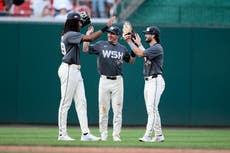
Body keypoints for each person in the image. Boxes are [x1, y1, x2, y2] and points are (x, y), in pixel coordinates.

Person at [57, 11, 116, 141]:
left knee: (81, 102)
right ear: (73, 23)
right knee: (65, 103)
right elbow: (90, 39)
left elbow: (82, 30)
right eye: (78, 22)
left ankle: (85, 133)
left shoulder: (70, 33)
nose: (80, 23)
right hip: (68, 69)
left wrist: (86, 22)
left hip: (75, 70)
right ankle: (62, 134)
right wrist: (106, 26)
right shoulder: (70, 34)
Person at [83, 25, 135, 141]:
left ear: (117, 35)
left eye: (112, 33)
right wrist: (87, 36)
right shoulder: (101, 44)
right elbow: (85, 49)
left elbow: (131, 61)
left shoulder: (122, 48)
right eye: (108, 33)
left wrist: (134, 47)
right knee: (103, 110)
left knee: (117, 110)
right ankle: (104, 135)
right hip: (104, 80)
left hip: (117, 81)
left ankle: (116, 136)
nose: (109, 35)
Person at [123, 26, 165, 142]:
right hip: (149, 81)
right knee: (153, 110)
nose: (146, 35)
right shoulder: (152, 49)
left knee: (151, 109)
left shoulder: (157, 48)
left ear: (154, 35)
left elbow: (141, 54)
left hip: (155, 80)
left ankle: (147, 135)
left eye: (147, 33)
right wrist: (138, 43)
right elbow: (144, 55)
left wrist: (130, 42)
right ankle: (159, 135)